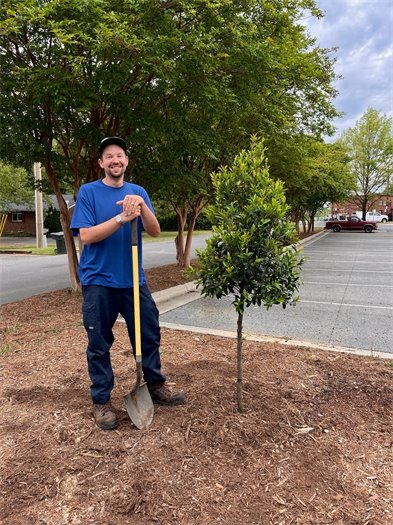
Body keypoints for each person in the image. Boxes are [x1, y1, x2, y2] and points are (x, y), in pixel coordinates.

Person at [70, 137, 186, 430]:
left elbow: (156, 230)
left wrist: (141, 207)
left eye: (119, 155)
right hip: (98, 281)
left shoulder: (138, 192)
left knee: (148, 333)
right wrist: (122, 217)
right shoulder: (88, 193)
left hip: (134, 279)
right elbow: (85, 236)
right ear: (101, 163)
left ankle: (155, 385)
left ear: (126, 161)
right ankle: (101, 401)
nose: (115, 160)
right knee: (99, 343)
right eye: (109, 156)